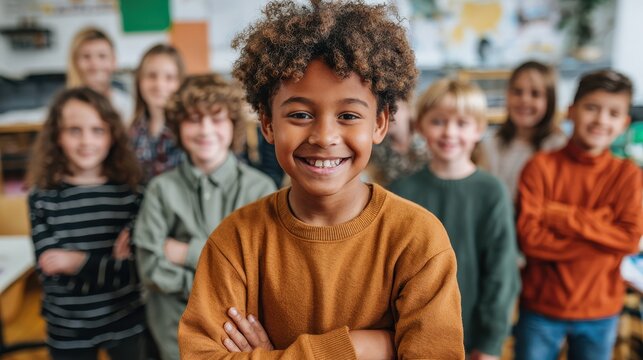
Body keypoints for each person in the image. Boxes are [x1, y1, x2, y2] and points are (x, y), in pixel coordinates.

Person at [178, 1, 464, 358]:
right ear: (267, 123)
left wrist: (269, 354)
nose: (324, 136)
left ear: (380, 123)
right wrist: (357, 348)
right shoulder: (236, 241)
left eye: (348, 115)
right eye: (300, 114)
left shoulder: (417, 239)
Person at [133, 74, 276, 360]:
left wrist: (185, 252)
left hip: (238, 335)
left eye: (217, 119)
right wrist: (220, 282)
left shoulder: (260, 188)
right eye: (194, 120)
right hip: (173, 330)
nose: (205, 129)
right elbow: (151, 267)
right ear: (178, 127)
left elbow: (259, 271)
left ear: (233, 125)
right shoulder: (161, 189)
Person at [514, 69, 643, 360]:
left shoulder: (628, 176)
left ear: (623, 123)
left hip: (601, 311)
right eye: (592, 108)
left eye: (612, 113)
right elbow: (530, 241)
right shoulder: (540, 167)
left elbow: (629, 240)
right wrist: (601, 233)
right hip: (541, 309)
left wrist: (561, 217)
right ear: (571, 112)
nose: (600, 120)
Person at [390, 78, 520, 360]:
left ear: (479, 130)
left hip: (472, 335)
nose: (449, 132)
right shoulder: (401, 192)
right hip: (410, 335)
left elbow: (501, 274)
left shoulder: (491, 192)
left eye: (461, 123)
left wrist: (490, 343)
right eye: (438, 121)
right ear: (421, 125)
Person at [26, 87, 145, 360]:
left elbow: (134, 271)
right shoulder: (41, 196)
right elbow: (49, 271)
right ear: (57, 136)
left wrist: (77, 263)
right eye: (74, 130)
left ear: (113, 135)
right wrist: (109, 267)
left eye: (97, 130)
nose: (86, 141)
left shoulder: (131, 194)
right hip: (67, 326)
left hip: (126, 320)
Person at [478, 61, 567, 200]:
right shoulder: (490, 144)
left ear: (550, 101)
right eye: (517, 92)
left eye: (535, 94)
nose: (525, 99)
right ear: (507, 95)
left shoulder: (559, 147)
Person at [129, 44, 185, 184]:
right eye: (151, 76)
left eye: (169, 77)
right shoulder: (131, 132)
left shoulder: (188, 130)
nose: (159, 84)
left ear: (181, 83)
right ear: (139, 81)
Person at [66, 27, 133, 124]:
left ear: (114, 61)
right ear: (75, 62)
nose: (95, 64)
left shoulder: (127, 105)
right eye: (86, 56)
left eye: (102, 56)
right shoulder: (64, 106)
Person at [365, 99, 429, 186]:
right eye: (381, 110)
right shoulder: (375, 149)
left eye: (393, 109)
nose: (387, 116)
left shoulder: (428, 144)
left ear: (408, 110)